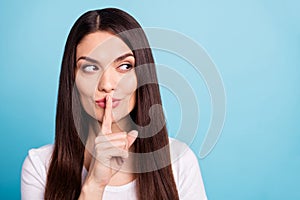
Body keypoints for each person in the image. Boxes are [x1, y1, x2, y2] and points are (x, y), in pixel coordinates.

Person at [21, 8, 207, 200]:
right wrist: (93, 185)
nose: (107, 85)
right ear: (73, 80)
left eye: (124, 66)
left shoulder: (179, 160)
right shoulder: (40, 165)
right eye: (90, 68)